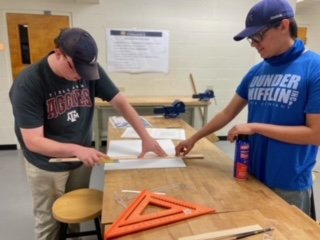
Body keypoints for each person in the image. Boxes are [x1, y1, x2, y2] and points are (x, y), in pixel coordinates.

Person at [9, 27, 167, 240]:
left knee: (74, 212)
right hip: (47, 163)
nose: (79, 77)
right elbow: (33, 141)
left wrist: (145, 138)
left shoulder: (87, 69)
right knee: (48, 221)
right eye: (76, 70)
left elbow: (119, 101)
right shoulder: (29, 84)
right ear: (58, 54)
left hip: (80, 156)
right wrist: (76, 149)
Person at [176, 0, 320, 217]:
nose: (253, 43)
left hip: (288, 184)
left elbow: (316, 134)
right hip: (251, 174)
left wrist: (255, 127)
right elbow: (227, 113)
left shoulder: (314, 69)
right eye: (250, 39)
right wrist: (194, 139)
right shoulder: (257, 71)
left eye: (257, 36)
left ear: (283, 26)